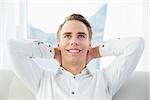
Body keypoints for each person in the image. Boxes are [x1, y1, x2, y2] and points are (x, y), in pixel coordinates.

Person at [8, 14, 144, 100]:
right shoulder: (42, 80)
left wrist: (95, 52)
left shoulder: (104, 80)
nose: (74, 41)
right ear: (58, 44)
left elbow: (136, 44)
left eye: (81, 36)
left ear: (89, 44)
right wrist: (53, 52)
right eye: (67, 36)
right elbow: (13, 47)